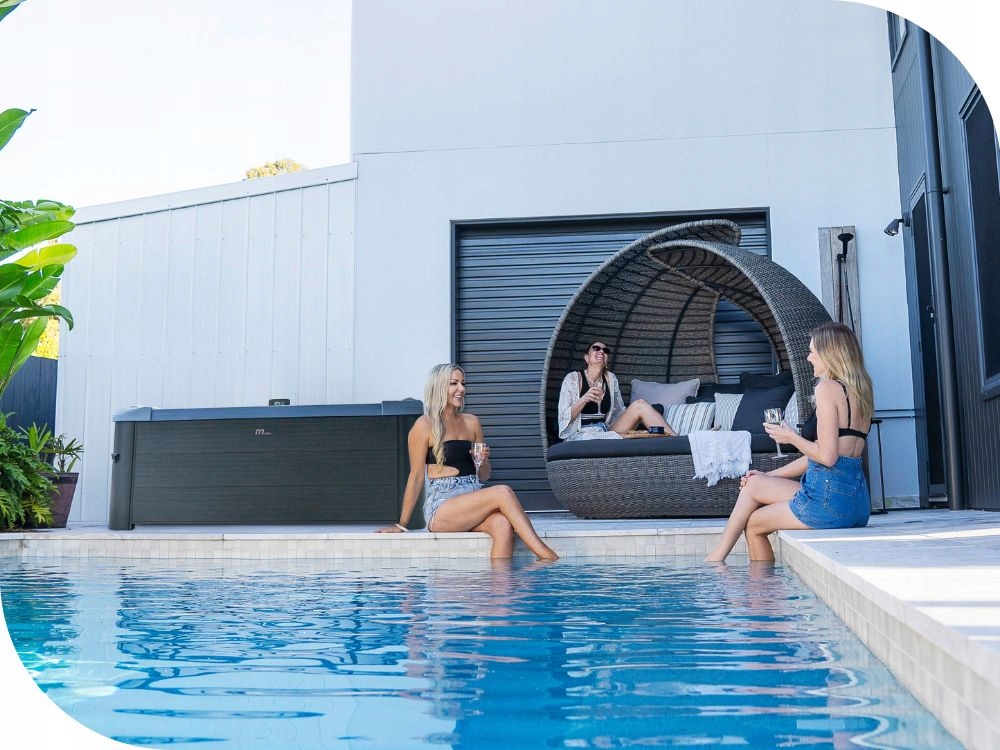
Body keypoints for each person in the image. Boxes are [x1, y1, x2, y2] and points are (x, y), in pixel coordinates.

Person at [705, 322, 874, 562]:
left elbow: (827, 457)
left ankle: (720, 565)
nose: (808, 358)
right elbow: (824, 456)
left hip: (829, 500)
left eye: (812, 352)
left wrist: (791, 437)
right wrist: (769, 476)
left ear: (830, 354)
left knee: (753, 524)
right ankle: (717, 559)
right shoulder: (861, 390)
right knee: (754, 483)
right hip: (856, 502)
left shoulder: (827, 388)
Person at [377, 363, 558, 561]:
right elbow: (416, 477)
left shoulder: (472, 422)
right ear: (439, 387)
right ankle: (547, 556)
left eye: (463, 383)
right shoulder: (424, 425)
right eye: (454, 383)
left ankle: (501, 580)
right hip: (442, 507)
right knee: (503, 492)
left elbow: (484, 475)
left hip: (472, 496)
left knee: (503, 525)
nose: (461, 388)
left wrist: (482, 461)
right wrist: (401, 525)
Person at [557, 340, 670, 441]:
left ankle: (673, 437)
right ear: (587, 358)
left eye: (605, 350)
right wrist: (584, 399)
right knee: (630, 435)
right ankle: (643, 435)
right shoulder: (573, 378)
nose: (601, 351)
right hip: (581, 434)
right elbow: (563, 418)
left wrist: (637, 420)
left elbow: (619, 412)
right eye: (596, 348)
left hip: (606, 430)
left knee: (640, 404)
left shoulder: (611, 378)